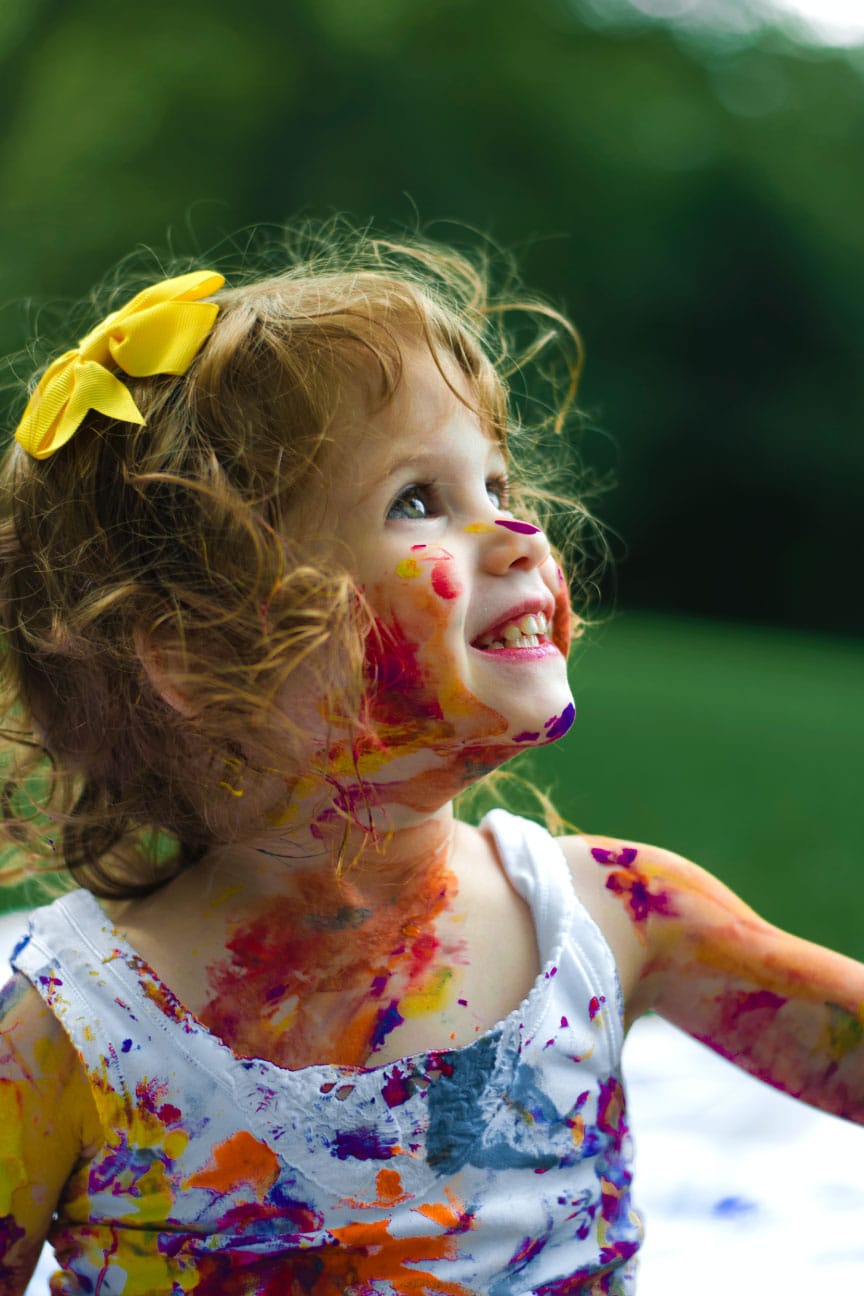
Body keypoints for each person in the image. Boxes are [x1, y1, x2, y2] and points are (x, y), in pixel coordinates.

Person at [0, 228, 861, 1296]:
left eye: (496, 480)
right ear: (198, 652)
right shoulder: (80, 1025)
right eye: (420, 500)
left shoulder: (608, 918)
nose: (517, 530)